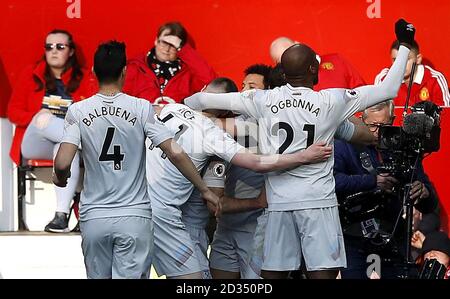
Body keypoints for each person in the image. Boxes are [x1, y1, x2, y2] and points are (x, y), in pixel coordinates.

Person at [184, 19, 416, 279]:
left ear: (283, 72)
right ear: (313, 69)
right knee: (322, 272)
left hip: (279, 204)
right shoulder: (332, 100)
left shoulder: (261, 99)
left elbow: (203, 98)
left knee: (273, 274)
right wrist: (406, 45)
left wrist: (180, 110)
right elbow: (389, 88)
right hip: (318, 203)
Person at [52, 40, 221, 279]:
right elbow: (175, 152)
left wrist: (60, 179)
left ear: (93, 71)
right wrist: (204, 189)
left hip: (95, 217)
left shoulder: (78, 110)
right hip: (135, 216)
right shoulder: (141, 108)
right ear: (124, 71)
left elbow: (62, 163)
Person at [333, 100, 439, 279]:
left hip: (394, 238)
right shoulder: (344, 145)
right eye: (373, 125)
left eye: (385, 125)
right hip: (354, 237)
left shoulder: (403, 148)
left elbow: (430, 204)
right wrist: (372, 181)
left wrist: (423, 192)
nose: (378, 132)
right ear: (361, 120)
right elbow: (332, 182)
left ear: (394, 119)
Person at [7, 29, 96, 232]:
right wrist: (38, 116)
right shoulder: (31, 74)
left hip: (66, 143)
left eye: (60, 47)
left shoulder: (84, 78)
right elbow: (13, 112)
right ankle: (90, 144)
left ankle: (61, 215)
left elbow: (91, 112)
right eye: (49, 47)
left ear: (71, 51)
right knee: (45, 118)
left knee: (64, 149)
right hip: (34, 141)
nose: (53, 51)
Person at [123, 21, 216, 104]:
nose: (167, 49)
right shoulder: (136, 66)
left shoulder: (188, 73)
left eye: (172, 45)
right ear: (156, 40)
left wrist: (184, 49)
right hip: (142, 120)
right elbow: (120, 97)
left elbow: (211, 83)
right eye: (164, 42)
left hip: (177, 121)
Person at [269, 36, 366, 90]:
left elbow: (361, 90)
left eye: (292, 52)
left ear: (299, 44)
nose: (293, 59)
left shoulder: (337, 60)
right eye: (285, 60)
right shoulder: (282, 86)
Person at [374, 40, 450, 107]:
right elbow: (376, 115)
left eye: (406, 59)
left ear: (418, 59)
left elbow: (445, 116)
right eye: (395, 60)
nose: (400, 65)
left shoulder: (435, 79)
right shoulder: (383, 79)